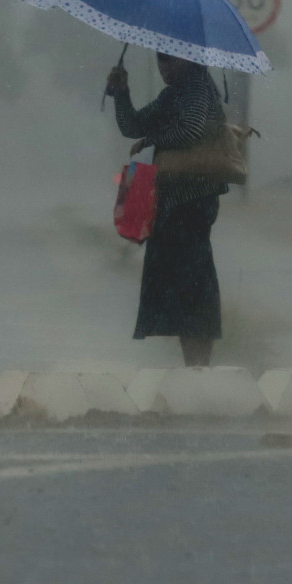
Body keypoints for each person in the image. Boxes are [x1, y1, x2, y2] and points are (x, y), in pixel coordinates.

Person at [106, 51, 228, 366]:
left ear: (189, 59)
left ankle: (199, 369)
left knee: (194, 295)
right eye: (160, 59)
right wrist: (121, 92)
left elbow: (190, 130)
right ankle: (195, 369)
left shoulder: (199, 89)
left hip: (192, 205)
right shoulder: (174, 94)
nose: (163, 66)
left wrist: (152, 139)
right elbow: (131, 125)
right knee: (179, 295)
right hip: (170, 207)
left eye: (170, 58)